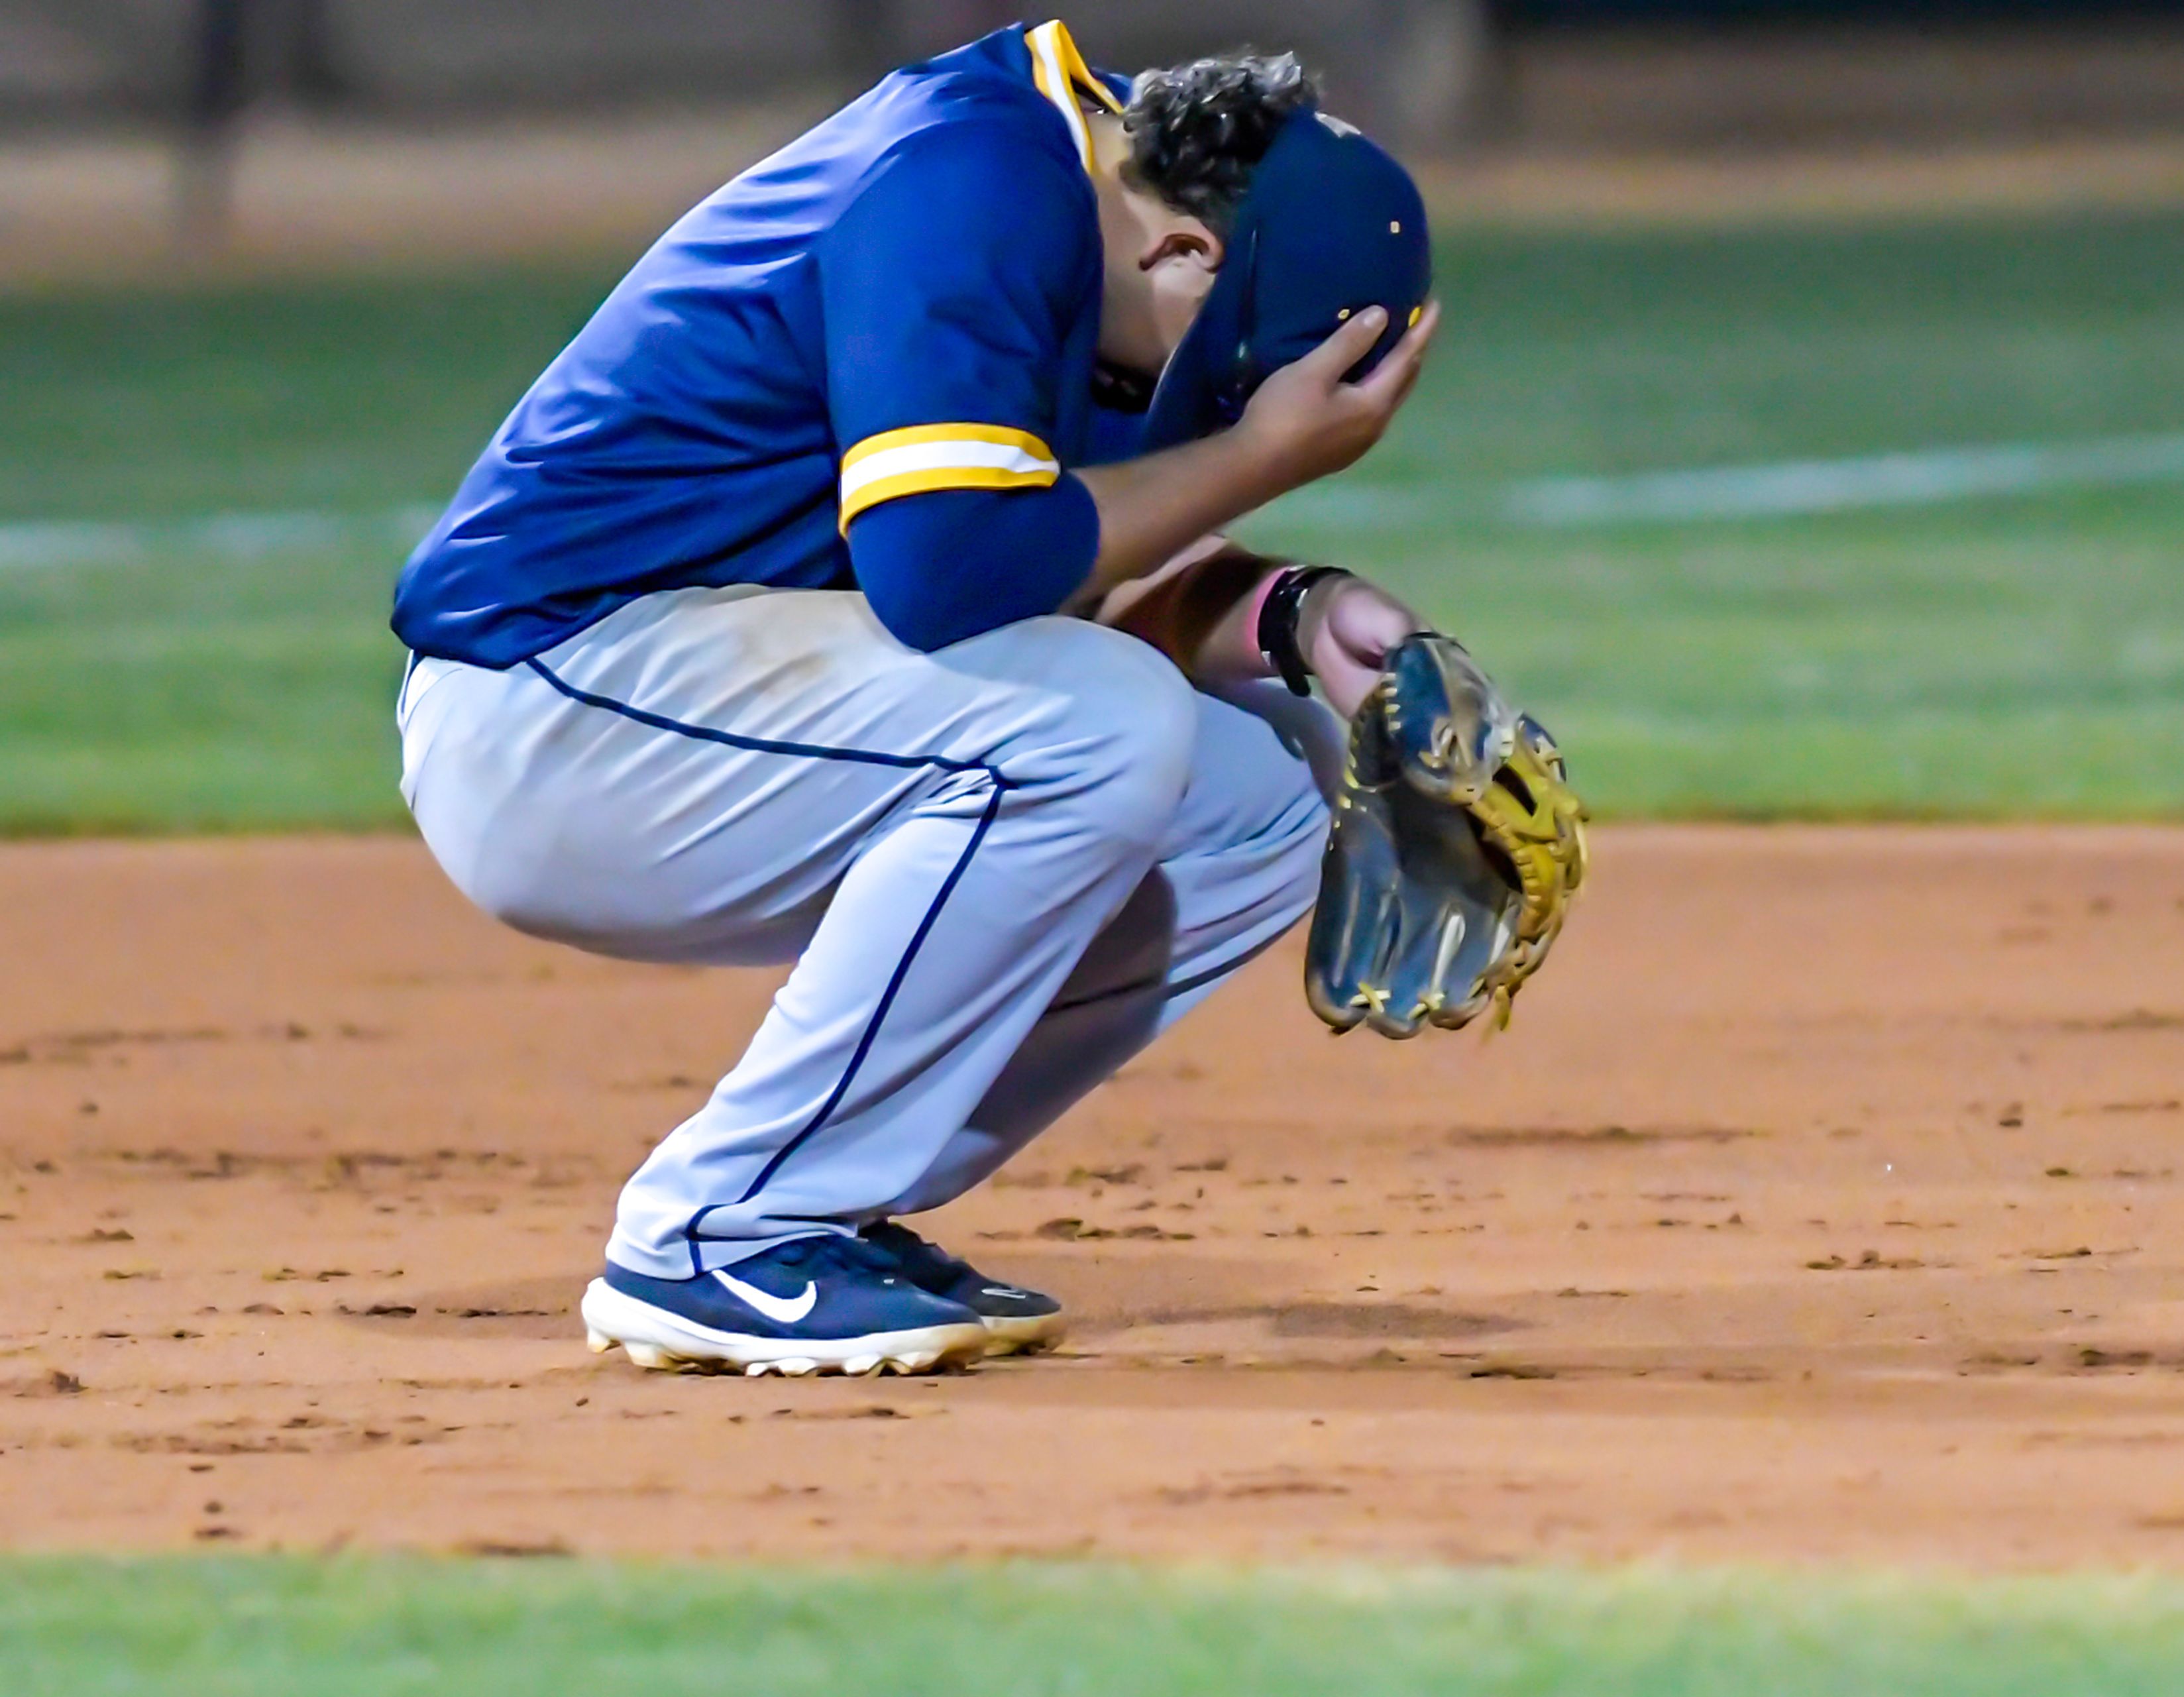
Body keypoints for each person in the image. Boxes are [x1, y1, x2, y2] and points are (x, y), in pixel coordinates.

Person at [392, 20, 1439, 1378]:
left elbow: (1039, 586)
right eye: (1223, 365)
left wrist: (1290, 614)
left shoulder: (1094, 204)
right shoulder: (973, 176)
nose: (1202, 402)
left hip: (701, 693)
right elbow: (955, 567)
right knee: (1099, 726)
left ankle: (817, 1191)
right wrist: (1255, 458)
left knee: (1265, 790)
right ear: (1184, 253)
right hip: (553, 701)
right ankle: (717, 1238)